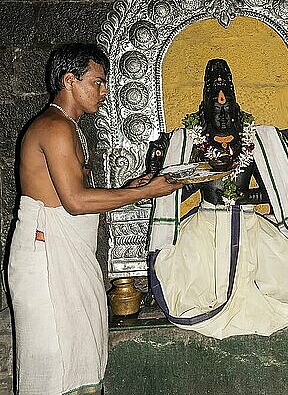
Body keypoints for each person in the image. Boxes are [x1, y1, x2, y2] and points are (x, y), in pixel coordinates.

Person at [7, 42, 182, 395]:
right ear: (70, 80)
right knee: (54, 360)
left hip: (64, 252)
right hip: (46, 258)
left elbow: (70, 195)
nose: (104, 92)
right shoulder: (55, 128)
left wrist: (130, 187)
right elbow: (75, 202)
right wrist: (146, 193)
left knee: (79, 352)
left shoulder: (68, 126)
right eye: (97, 82)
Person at [146, 59, 288, 339]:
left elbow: (274, 193)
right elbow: (172, 198)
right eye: (217, 107)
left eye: (227, 106)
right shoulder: (190, 145)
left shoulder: (254, 142)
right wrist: (196, 178)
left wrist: (243, 196)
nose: (223, 111)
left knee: (279, 279)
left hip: (250, 225)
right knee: (188, 283)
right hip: (206, 228)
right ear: (205, 110)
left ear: (236, 107)